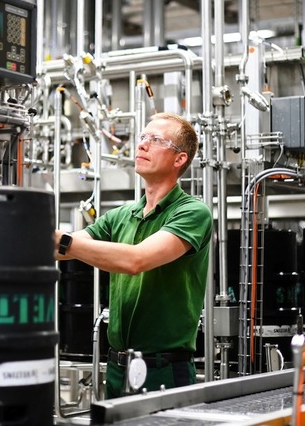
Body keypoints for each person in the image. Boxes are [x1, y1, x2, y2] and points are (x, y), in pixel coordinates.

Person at [54, 112, 213, 398]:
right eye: (142, 138)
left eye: (156, 140)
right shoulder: (121, 216)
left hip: (164, 370)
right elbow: (64, 248)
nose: (141, 145)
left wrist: (62, 241)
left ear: (180, 159)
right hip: (117, 367)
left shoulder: (192, 212)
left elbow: (135, 260)